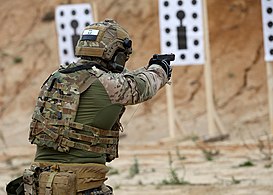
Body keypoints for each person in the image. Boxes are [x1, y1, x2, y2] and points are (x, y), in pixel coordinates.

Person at [7, 19, 172, 195]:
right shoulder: (106, 83)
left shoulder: (57, 77)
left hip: (39, 182)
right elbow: (143, 86)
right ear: (113, 52)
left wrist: (146, 68)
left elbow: (123, 79)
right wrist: (160, 67)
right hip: (78, 183)